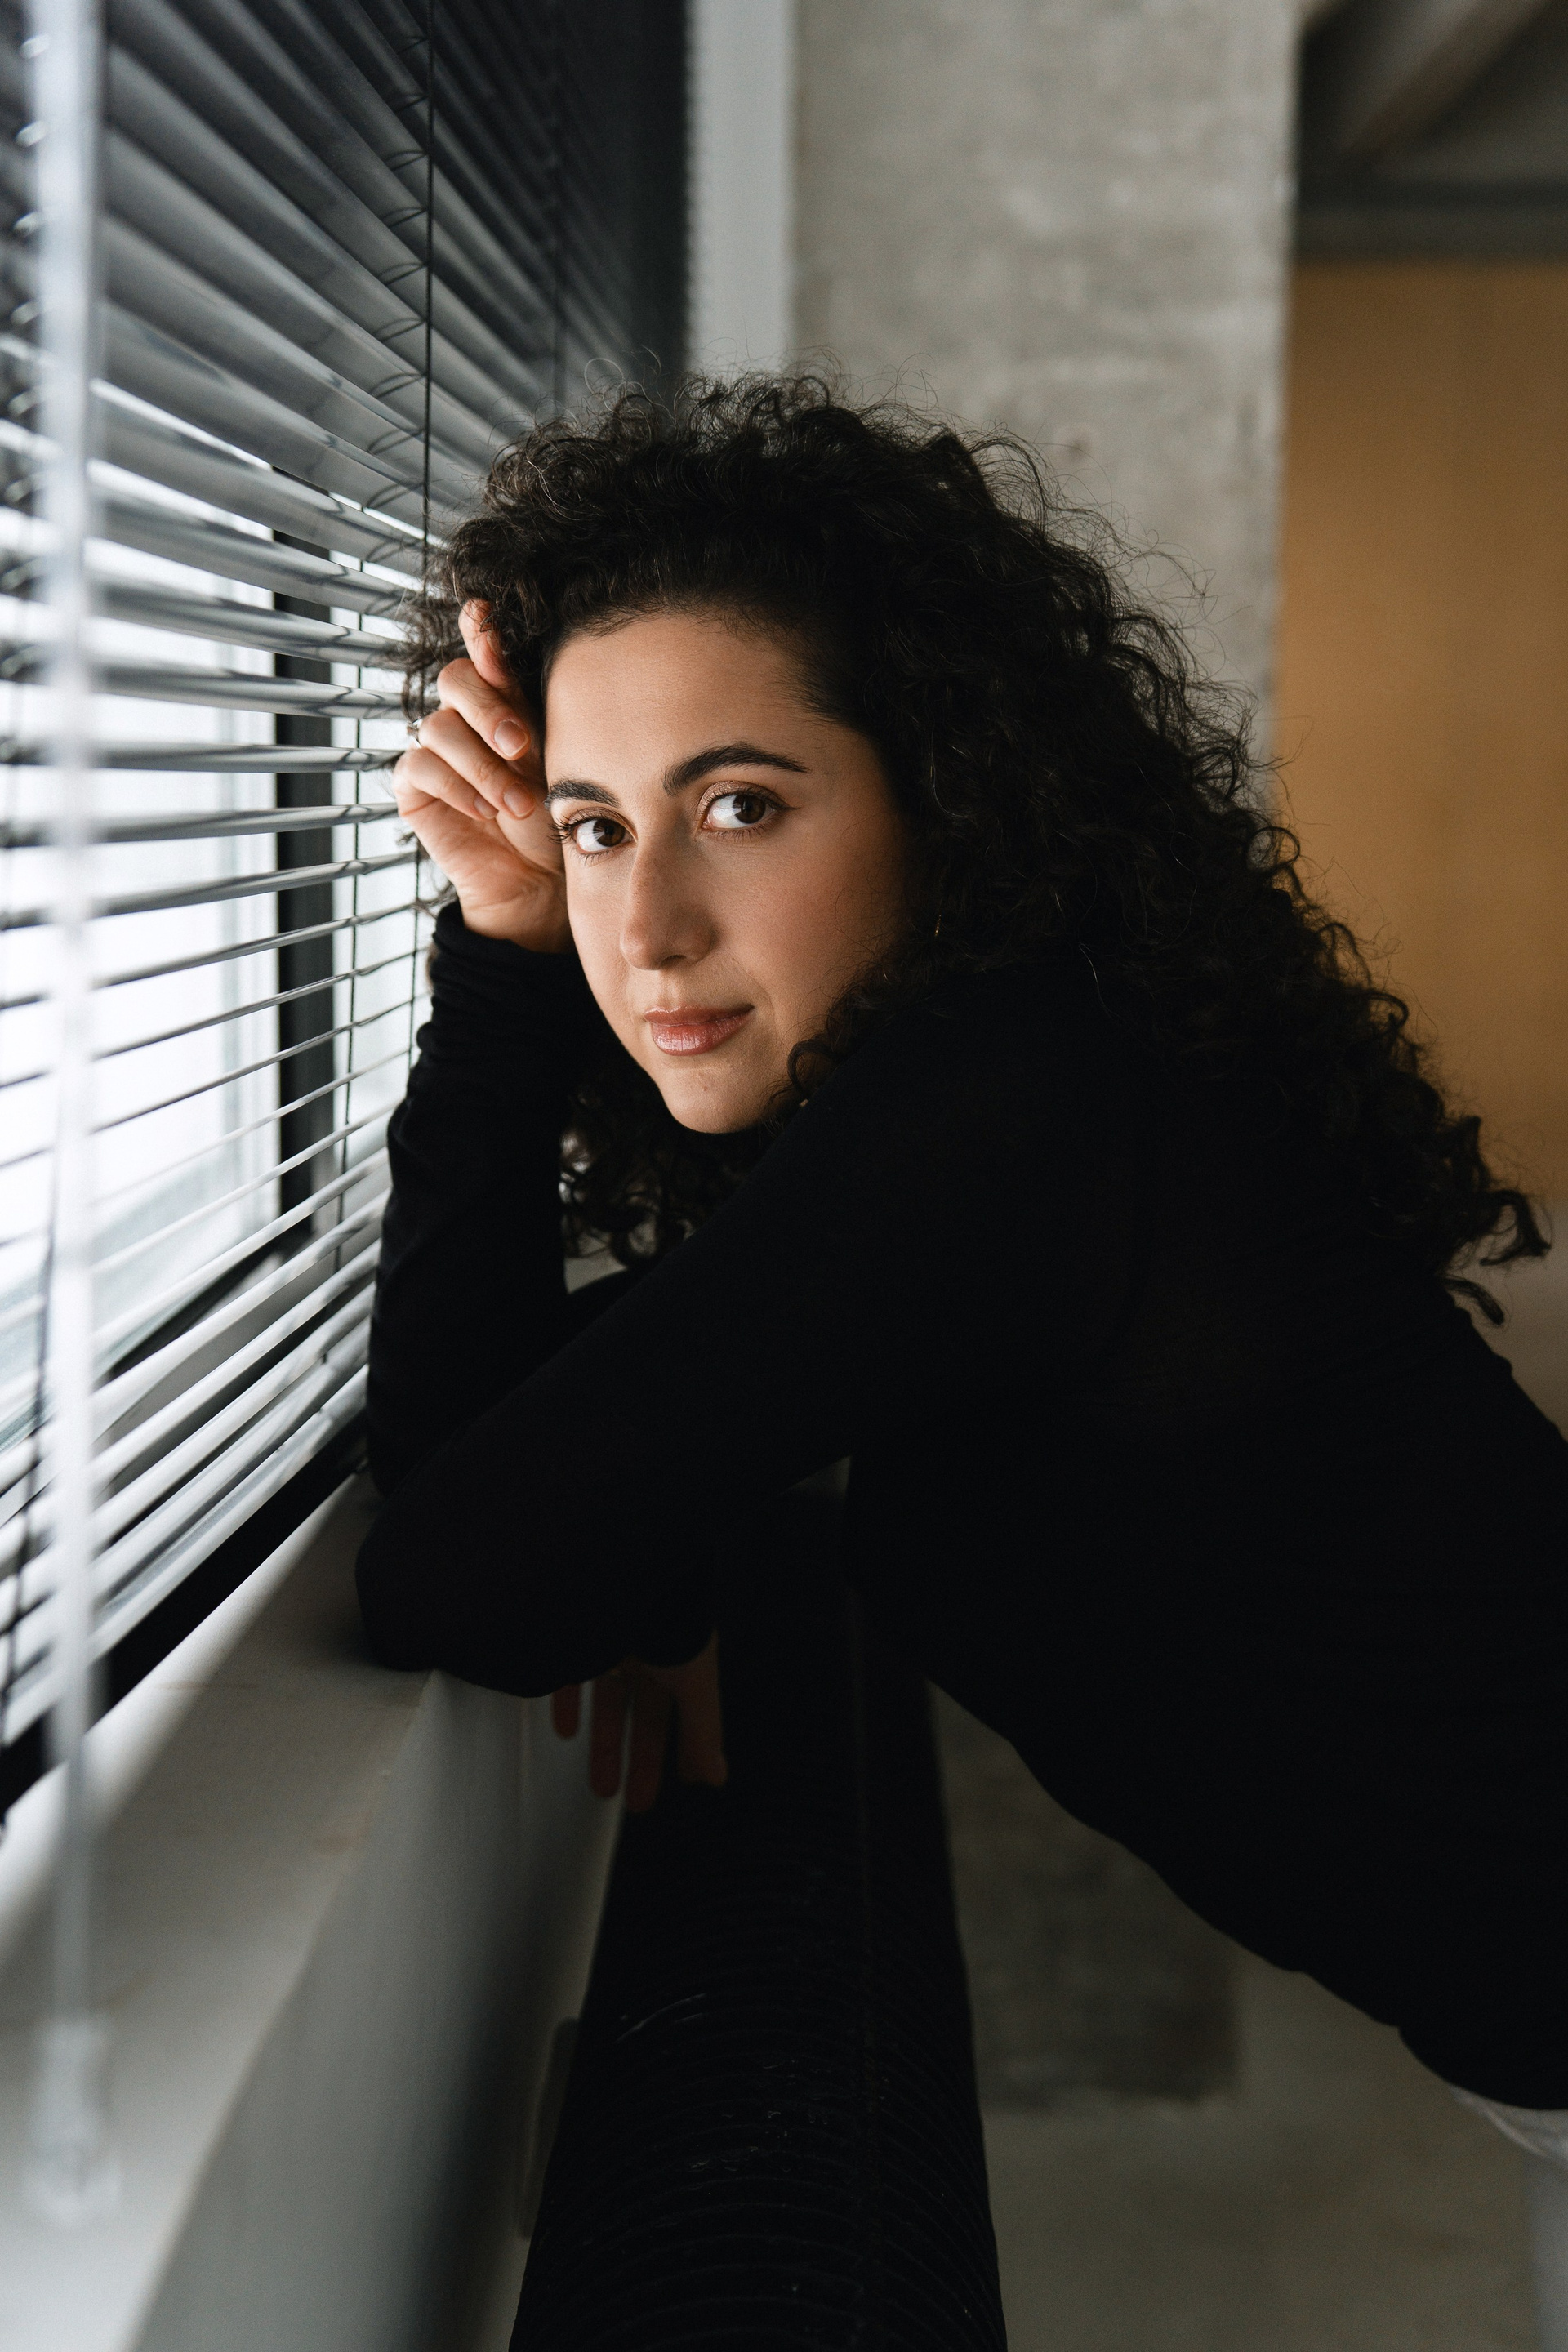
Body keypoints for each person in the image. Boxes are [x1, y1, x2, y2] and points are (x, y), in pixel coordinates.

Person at [356, 376, 1568, 2145]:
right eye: (595, 827)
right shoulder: (1032, 1081)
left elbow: (459, 1575)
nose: (649, 927)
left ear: (945, 790)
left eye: (741, 807)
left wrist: (508, 987)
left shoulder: (1011, 1108)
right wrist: (511, 931)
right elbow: (523, 1451)